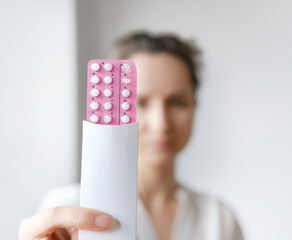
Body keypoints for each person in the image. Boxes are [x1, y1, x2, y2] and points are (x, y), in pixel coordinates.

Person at [19, 31, 244, 240]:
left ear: (194, 107)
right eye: (140, 102)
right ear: (112, 106)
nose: (161, 123)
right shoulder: (67, 211)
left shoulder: (219, 219)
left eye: (177, 102)